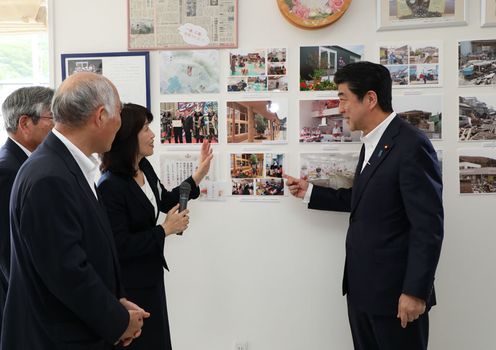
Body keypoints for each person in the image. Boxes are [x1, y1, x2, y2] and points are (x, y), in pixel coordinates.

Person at [285, 61, 443, 350]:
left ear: (370, 99)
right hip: (362, 290)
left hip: (396, 297)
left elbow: (428, 226)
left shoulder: (411, 145)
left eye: (344, 98)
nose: (340, 107)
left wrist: (415, 292)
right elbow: (365, 201)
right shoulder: (370, 143)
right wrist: (310, 192)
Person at [1, 72, 149, 350]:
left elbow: (84, 250)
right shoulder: (49, 176)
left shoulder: (63, 165)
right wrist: (118, 321)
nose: (121, 123)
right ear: (101, 115)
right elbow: (67, 272)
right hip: (56, 337)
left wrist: (116, 302)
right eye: (119, 112)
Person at [97, 103, 213, 350]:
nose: (153, 136)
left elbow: (166, 200)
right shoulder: (110, 186)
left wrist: (198, 175)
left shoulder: (143, 167)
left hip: (151, 277)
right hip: (130, 287)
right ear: (128, 137)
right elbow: (119, 245)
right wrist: (164, 230)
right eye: (146, 129)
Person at [0, 86, 54, 342]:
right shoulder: (8, 170)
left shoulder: (28, 164)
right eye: (52, 118)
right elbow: (5, 250)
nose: (58, 126)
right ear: (25, 123)